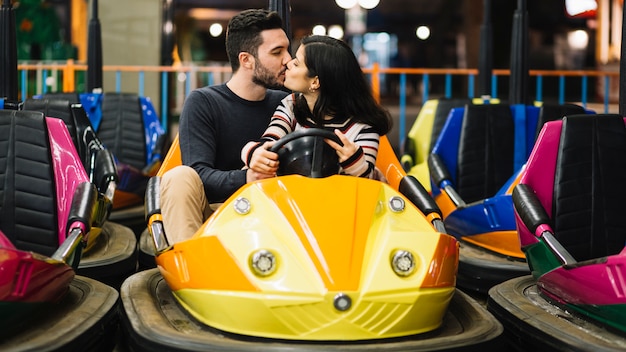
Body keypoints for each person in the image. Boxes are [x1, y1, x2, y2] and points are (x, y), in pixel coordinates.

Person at [160, 9, 292, 244]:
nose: (288, 60)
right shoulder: (205, 102)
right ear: (246, 60)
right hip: (217, 217)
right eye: (277, 52)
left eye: (287, 50)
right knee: (179, 176)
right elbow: (198, 173)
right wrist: (247, 178)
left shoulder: (288, 103)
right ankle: (191, 270)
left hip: (275, 214)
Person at [241, 35, 392, 179]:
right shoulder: (291, 105)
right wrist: (253, 152)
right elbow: (268, 143)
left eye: (297, 63)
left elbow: (367, 184)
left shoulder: (363, 128)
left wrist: (354, 163)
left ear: (315, 82)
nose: (288, 63)